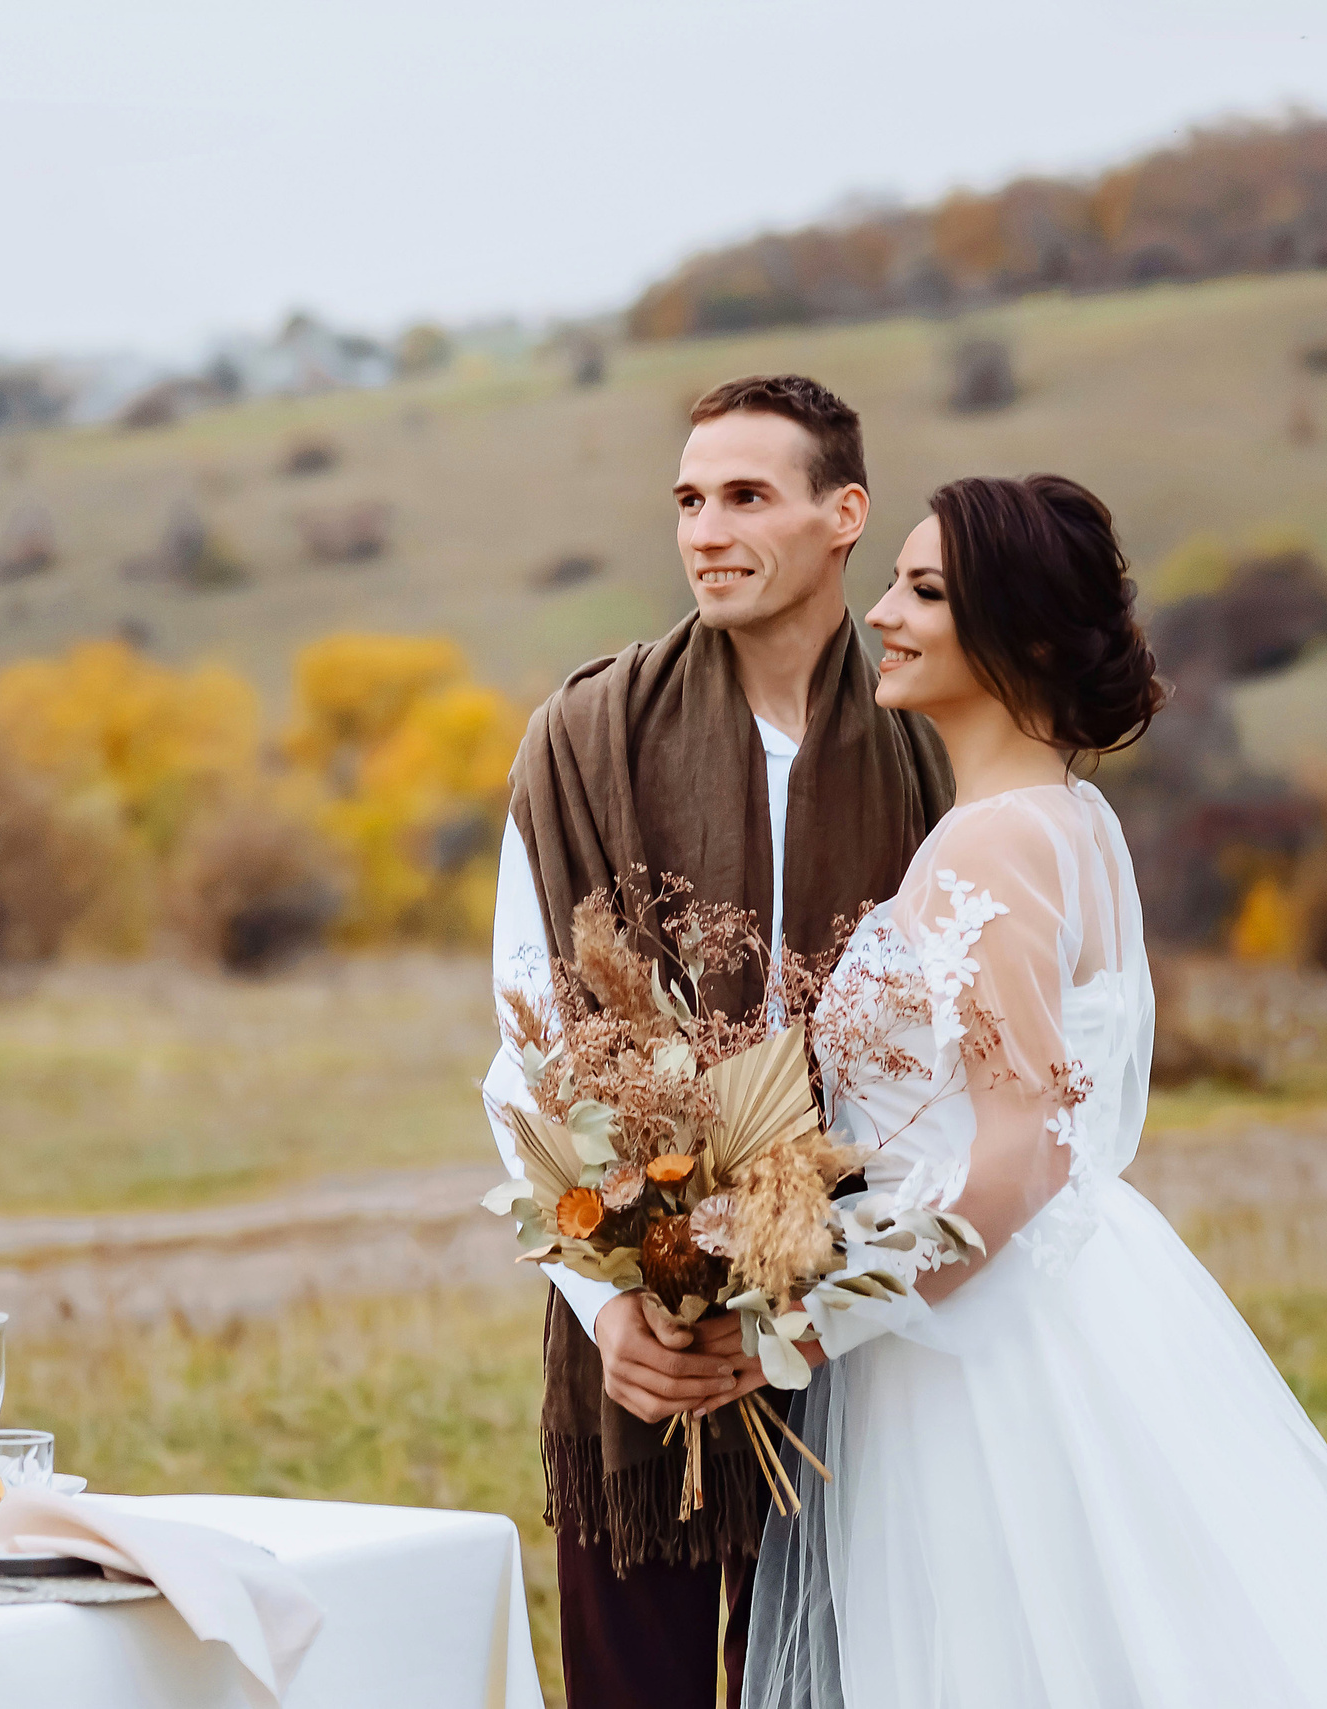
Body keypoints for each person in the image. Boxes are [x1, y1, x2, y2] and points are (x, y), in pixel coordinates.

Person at [741, 475, 1327, 1708]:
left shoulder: (988, 844)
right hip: (1046, 1286)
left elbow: (1025, 1146)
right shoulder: (1069, 817)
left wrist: (822, 1309)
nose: (881, 611)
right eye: (893, 580)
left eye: (925, 589)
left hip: (985, 1331)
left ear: (1029, 635)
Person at [488, 375, 953, 1709]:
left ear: (843, 515)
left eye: (747, 497)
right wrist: (611, 1302)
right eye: (690, 500)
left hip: (859, 1341)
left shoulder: (933, 755)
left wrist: (821, 1317)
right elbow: (522, 1053)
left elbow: (960, 1084)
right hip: (632, 1340)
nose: (706, 530)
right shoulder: (581, 741)